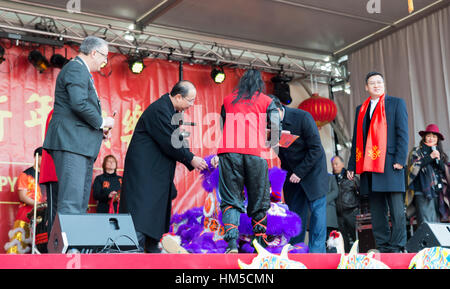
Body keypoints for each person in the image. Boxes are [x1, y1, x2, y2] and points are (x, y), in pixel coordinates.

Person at [119, 80, 208, 253]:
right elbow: (171, 142)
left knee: (153, 215)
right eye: (190, 101)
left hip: (155, 173)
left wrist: (192, 157)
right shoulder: (160, 110)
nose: (191, 105)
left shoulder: (170, 111)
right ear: (178, 96)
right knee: (141, 213)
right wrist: (191, 158)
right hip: (145, 174)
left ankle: (152, 251)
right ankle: (131, 255)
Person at [43, 36, 115, 215]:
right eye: (104, 56)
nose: (105, 62)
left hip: (80, 144)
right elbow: (79, 104)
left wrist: (98, 130)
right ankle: (68, 244)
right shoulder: (76, 69)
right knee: (71, 203)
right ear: (93, 53)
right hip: (71, 143)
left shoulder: (81, 70)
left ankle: (75, 243)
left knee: (80, 203)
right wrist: (101, 121)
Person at [213, 69, 281, 253]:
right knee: (259, 199)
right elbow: (276, 126)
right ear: (260, 84)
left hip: (229, 152)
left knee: (230, 199)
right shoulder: (267, 101)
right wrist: (271, 142)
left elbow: (222, 124)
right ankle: (259, 243)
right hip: (255, 153)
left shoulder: (228, 100)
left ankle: (232, 244)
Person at [347, 71, 409, 253]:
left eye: (379, 82)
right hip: (369, 166)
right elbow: (357, 139)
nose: (376, 85)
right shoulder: (361, 109)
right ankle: (382, 245)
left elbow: (402, 133)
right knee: (376, 209)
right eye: (372, 82)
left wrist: (400, 158)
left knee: (397, 209)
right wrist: (352, 165)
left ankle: (397, 245)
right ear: (366, 87)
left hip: (390, 163)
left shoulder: (396, 103)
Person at [271, 95, 329, 253]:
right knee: (295, 215)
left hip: (313, 170)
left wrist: (300, 172)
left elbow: (316, 148)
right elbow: (280, 153)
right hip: (292, 174)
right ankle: (296, 251)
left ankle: (317, 254)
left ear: (278, 109)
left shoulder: (302, 117)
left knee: (317, 214)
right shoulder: (270, 125)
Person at [406, 124, 450, 225]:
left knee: (437, 225)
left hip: (437, 194)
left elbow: (444, 172)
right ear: (424, 137)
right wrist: (430, 157)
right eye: (429, 136)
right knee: (426, 226)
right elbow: (412, 169)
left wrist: (440, 162)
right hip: (422, 193)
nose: (431, 138)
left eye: (434, 136)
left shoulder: (439, 153)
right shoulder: (416, 151)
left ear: (438, 139)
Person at [4, 147, 44, 254]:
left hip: (42, 219)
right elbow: (23, 197)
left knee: (41, 250)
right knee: (16, 249)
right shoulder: (26, 175)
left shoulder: (48, 177)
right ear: (37, 157)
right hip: (25, 217)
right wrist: (40, 205)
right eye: (43, 157)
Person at [331, 155, 359, 252]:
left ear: (343, 164)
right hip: (339, 215)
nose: (334, 166)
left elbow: (361, 194)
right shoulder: (331, 180)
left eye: (336, 164)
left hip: (351, 212)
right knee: (342, 241)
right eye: (333, 164)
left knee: (356, 239)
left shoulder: (351, 177)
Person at [326, 173, 339, 249]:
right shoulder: (312, 176)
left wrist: (323, 201)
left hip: (329, 213)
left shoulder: (331, 177)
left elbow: (335, 192)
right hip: (315, 213)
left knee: (331, 241)